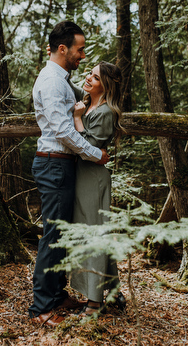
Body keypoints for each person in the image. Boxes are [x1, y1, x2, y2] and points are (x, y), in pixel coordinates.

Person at [29, 21, 109, 327]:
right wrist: (95, 153)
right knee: (53, 236)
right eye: (80, 49)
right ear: (62, 49)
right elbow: (62, 131)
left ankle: (56, 296)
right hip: (53, 164)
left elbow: (77, 112)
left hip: (61, 164)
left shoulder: (62, 80)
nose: (83, 56)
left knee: (62, 235)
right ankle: (41, 309)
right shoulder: (51, 81)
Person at [69, 62, 127, 316]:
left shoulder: (105, 111)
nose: (88, 79)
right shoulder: (88, 101)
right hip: (83, 177)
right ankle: (113, 291)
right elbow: (65, 82)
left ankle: (94, 303)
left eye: (95, 76)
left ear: (106, 84)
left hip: (93, 178)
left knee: (93, 236)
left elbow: (89, 149)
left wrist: (78, 119)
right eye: (89, 74)